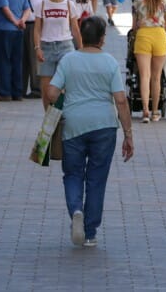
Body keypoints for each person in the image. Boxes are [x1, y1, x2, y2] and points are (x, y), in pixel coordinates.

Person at [46, 16, 134, 248]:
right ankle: (90, 232)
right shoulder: (110, 63)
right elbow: (121, 100)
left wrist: (65, 99)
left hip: (73, 125)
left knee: (73, 174)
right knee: (96, 179)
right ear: (103, 39)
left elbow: (52, 93)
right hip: (104, 126)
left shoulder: (68, 60)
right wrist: (128, 133)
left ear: (81, 37)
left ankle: (76, 209)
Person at [35, 0, 82, 108]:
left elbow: (75, 29)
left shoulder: (69, 5)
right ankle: (49, 121)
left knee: (63, 87)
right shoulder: (42, 5)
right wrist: (37, 48)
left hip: (65, 46)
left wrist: (81, 48)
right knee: (46, 90)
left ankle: (63, 117)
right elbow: (37, 29)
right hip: (46, 48)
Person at [132, 0, 166, 123]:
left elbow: (134, 27)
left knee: (144, 76)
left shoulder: (138, 1)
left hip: (143, 37)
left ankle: (145, 111)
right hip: (159, 36)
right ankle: (155, 112)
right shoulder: (165, 2)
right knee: (156, 77)